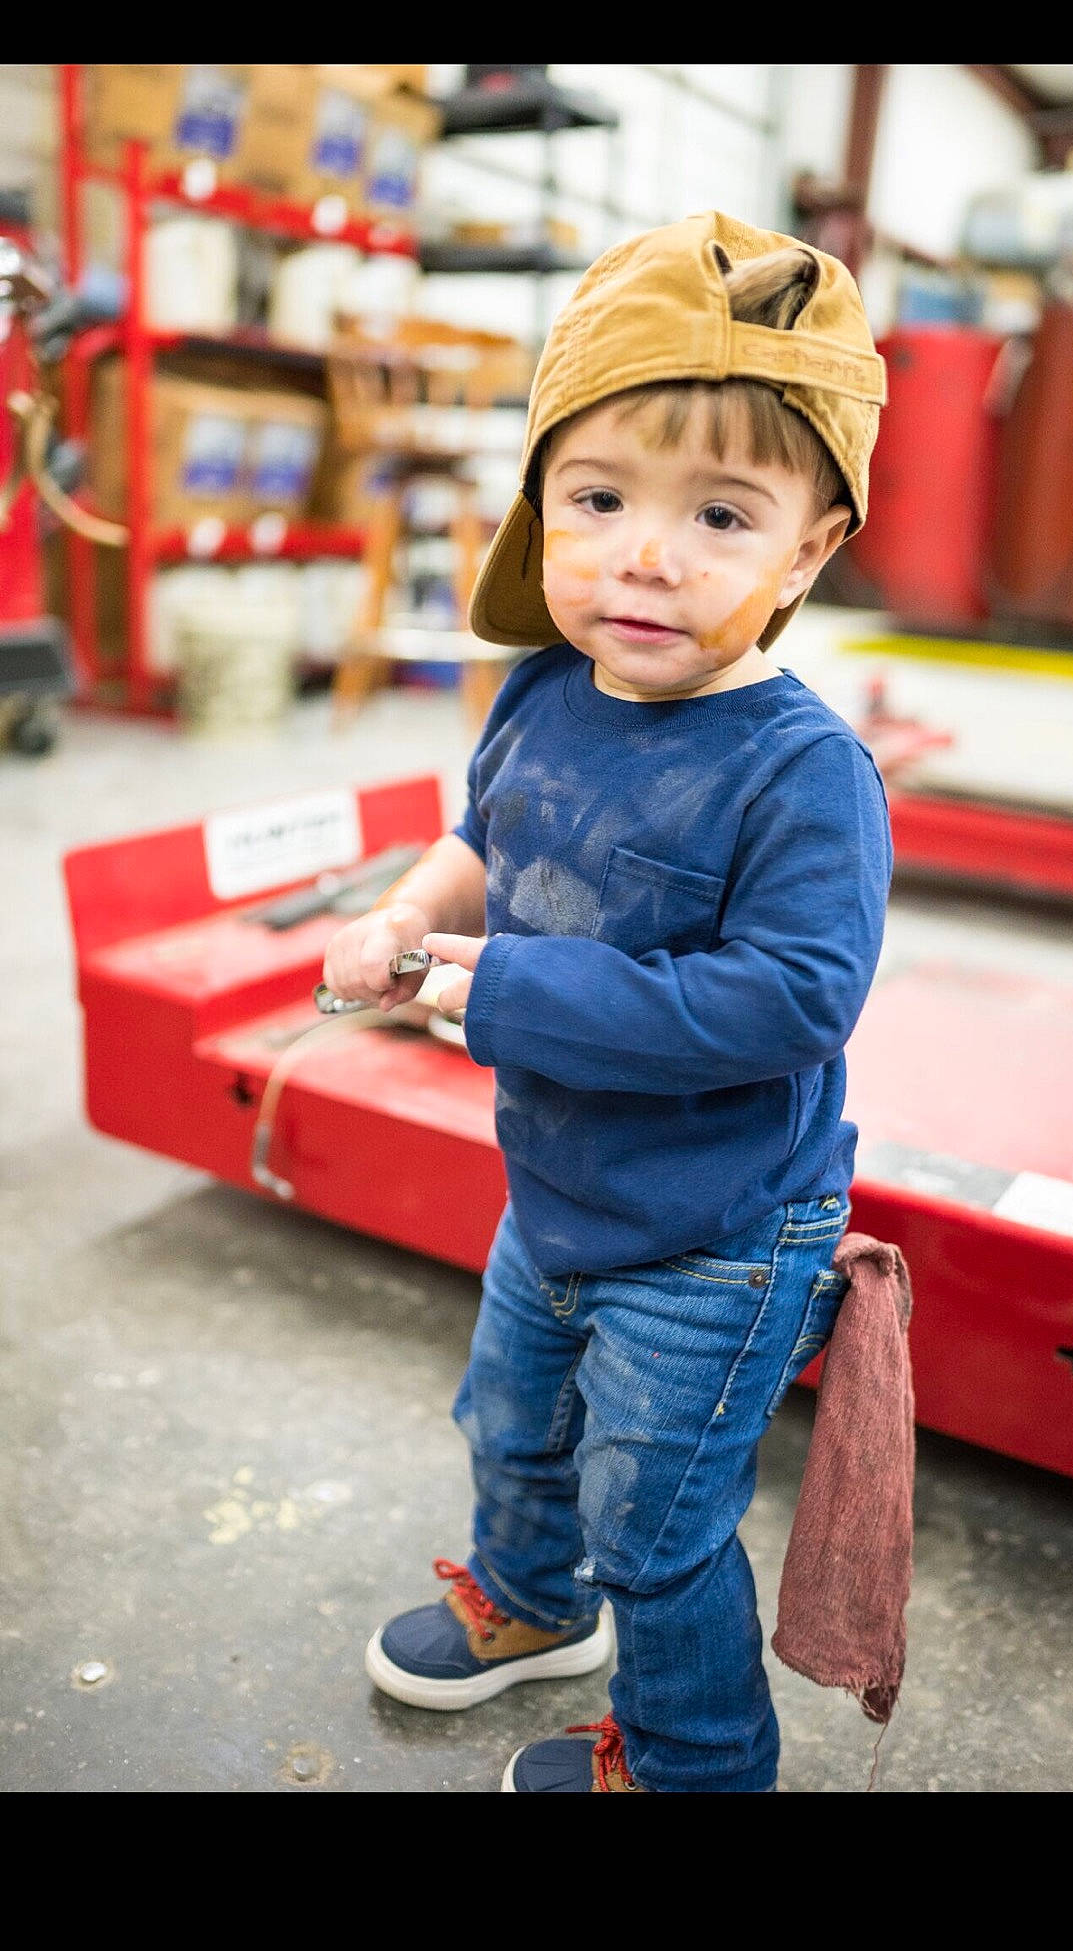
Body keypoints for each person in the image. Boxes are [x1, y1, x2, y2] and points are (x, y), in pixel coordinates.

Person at [322, 210, 893, 1793]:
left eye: (720, 512)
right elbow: (480, 836)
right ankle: (523, 1603)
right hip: (561, 1184)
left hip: (720, 1231)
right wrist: (412, 913)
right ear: (540, 506)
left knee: (659, 1519)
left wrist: (489, 981)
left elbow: (786, 1002)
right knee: (510, 1422)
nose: (645, 552)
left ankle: (696, 1758)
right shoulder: (547, 688)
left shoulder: (802, 774)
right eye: (598, 498)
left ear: (810, 548)